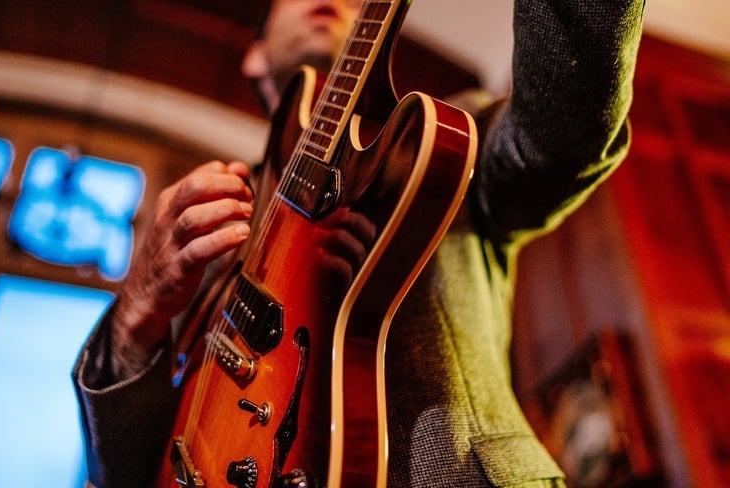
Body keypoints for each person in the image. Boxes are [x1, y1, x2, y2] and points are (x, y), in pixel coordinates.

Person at [72, 0, 646, 486]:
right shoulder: (210, 218)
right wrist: (135, 315)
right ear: (254, 54)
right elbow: (117, 471)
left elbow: (562, 136)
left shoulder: (443, 146)